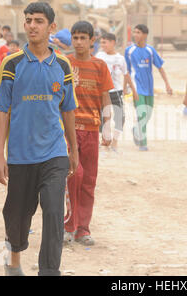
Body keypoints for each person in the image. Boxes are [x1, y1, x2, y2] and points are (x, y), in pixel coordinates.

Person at [0, 2, 78, 276]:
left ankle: (49, 271)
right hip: (20, 155)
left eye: (38, 21)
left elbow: (68, 110)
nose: (31, 25)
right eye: (28, 20)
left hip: (54, 153)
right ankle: (13, 261)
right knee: (17, 213)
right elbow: (2, 110)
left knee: (53, 211)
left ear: (51, 27)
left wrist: (73, 151)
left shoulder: (62, 64)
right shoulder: (11, 63)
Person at [64, 21, 114, 247]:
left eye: (83, 38)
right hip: (68, 131)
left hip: (92, 130)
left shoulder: (100, 66)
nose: (79, 42)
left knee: (89, 180)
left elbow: (106, 97)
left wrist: (108, 127)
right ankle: (67, 226)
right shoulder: (64, 64)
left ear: (92, 40)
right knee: (73, 176)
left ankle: (83, 229)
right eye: (75, 38)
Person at [125, 24, 173, 151]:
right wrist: (126, 88)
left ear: (145, 35)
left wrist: (167, 84)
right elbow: (126, 71)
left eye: (138, 32)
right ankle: (143, 142)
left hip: (149, 89)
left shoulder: (150, 51)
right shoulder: (129, 51)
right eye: (134, 32)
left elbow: (160, 68)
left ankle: (136, 130)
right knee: (142, 114)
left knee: (148, 114)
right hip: (136, 88)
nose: (135, 35)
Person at [96, 32, 137, 151]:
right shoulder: (99, 56)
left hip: (116, 92)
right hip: (102, 92)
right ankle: (103, 140)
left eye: (105, 42)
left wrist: (133, 90)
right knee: (102, 117)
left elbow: (126, 74)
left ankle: (115, 141)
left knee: (120, 117)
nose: (102, 45)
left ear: (113, 43)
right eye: (101, 42)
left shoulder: (120, 59)